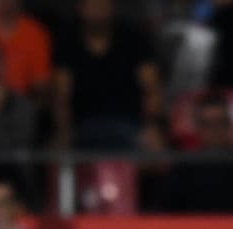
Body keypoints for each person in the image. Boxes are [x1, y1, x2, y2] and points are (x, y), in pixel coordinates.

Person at [52, 0, 163, 150]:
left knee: (156, 152)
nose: (97, 12)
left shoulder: (134, 38)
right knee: (57, 154)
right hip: (83, 126)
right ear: (80, 8)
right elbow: (61, 96)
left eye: (102, 6)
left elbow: (151, 89)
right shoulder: (67, 41)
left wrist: (151, 126)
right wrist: (64, 132)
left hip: (130, 124)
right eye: (92, 6)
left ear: (112, 7)